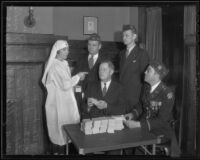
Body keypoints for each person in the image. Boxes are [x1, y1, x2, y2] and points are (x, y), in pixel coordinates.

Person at [123, 60, 181, 157]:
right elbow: (141, 105)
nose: (145, 72)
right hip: (144, 124)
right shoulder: (146, 87)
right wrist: (132, 114)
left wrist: (138, 124)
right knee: (124, 134)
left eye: (148, 70)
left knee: (131, 138)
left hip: (159, 129)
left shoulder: (167, 93)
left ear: (156, 76)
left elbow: (162, 120)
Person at [41, 40, 88, 155]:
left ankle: (69, 149)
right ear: (57, 52)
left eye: (67, 49)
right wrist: (78, 76)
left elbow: (67, 82)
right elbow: (65, 84)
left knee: (70, 127)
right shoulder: (54, 66)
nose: (67, 51)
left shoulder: (64, 63)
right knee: (60, 128)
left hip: (67, 101)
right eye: (64, 49)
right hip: (58, 102)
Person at [119, 25, 149, 113]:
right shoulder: (121, 54)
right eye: (123, 35)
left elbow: (145, 79)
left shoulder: (142, 53)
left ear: (134, 36)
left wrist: (142, 98)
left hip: (135, 96)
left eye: (127, 35)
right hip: (122, 95)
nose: (124, 38)